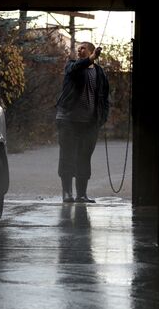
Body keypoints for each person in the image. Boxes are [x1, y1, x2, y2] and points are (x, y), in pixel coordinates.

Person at [55, 41, 109, 203]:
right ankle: (67, 194)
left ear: (92, 51)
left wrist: (102, 118)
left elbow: (105, 98)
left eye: (83, 48)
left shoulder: (100, 73)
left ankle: (81, 195)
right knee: (67, 156)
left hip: (90, 123)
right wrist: (90, 59)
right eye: (78, 48)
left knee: (84, 157)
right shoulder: (71, 66)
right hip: (68, 120)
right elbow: (75, 69)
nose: (79, 50)